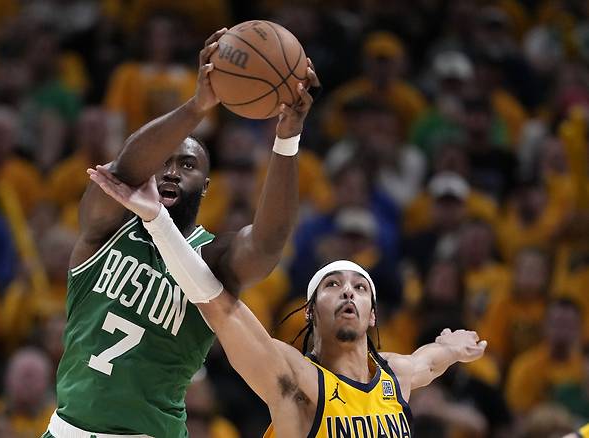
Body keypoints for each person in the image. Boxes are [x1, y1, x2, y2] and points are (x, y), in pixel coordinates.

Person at [44, 28, 320, 438]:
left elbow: (268, 242)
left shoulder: (212, 258)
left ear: (207, 186)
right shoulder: (104, 231)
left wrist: (287, 137)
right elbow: (122, 171)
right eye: (165, 163)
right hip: (67, 430)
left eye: (188, 165)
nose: (172, 171)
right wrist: (197, 105)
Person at [88, 163, 487, 438]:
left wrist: (451, 349)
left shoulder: (395, 378)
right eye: (333, 284)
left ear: (372, 317)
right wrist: (158, 221)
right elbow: (221, 308)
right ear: (310, 311)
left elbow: (427, 362)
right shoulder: (295, 378)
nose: (348, 290)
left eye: (360, 287)